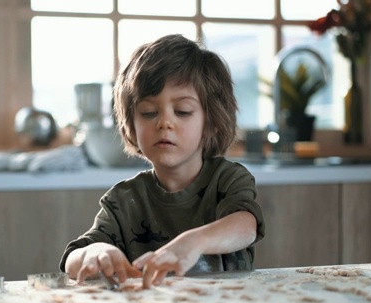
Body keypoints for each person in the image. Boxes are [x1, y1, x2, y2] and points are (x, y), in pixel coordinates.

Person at [59, 34, 265, 288]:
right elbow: (72, 260)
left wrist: (192, 243)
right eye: (149, 112)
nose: (164, 123)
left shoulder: (228, 179)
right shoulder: (123, 200)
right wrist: (94, 253)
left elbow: (245, 226)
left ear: (211, 122)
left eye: (182, 111)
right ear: (131, 125)